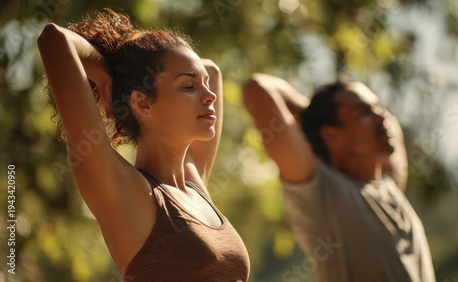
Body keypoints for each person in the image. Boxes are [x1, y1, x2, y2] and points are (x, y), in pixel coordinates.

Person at [38, 9, 250, 281]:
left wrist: (134, 70)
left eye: (204, 86)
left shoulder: (195, 186)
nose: (209, 96)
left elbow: (212, 70)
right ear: (142, 102)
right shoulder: (126, 191)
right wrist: (108, 79)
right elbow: (55, 40)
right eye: (188, 86)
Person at [243, 74, 435, 282]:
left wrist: (326, 122)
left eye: (378, 107)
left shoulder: (390, 183)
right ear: (331, 136)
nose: (382, 118)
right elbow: (258, 89)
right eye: (363, 113)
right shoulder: (320, 193)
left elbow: (393, 127)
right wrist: (314, 121)